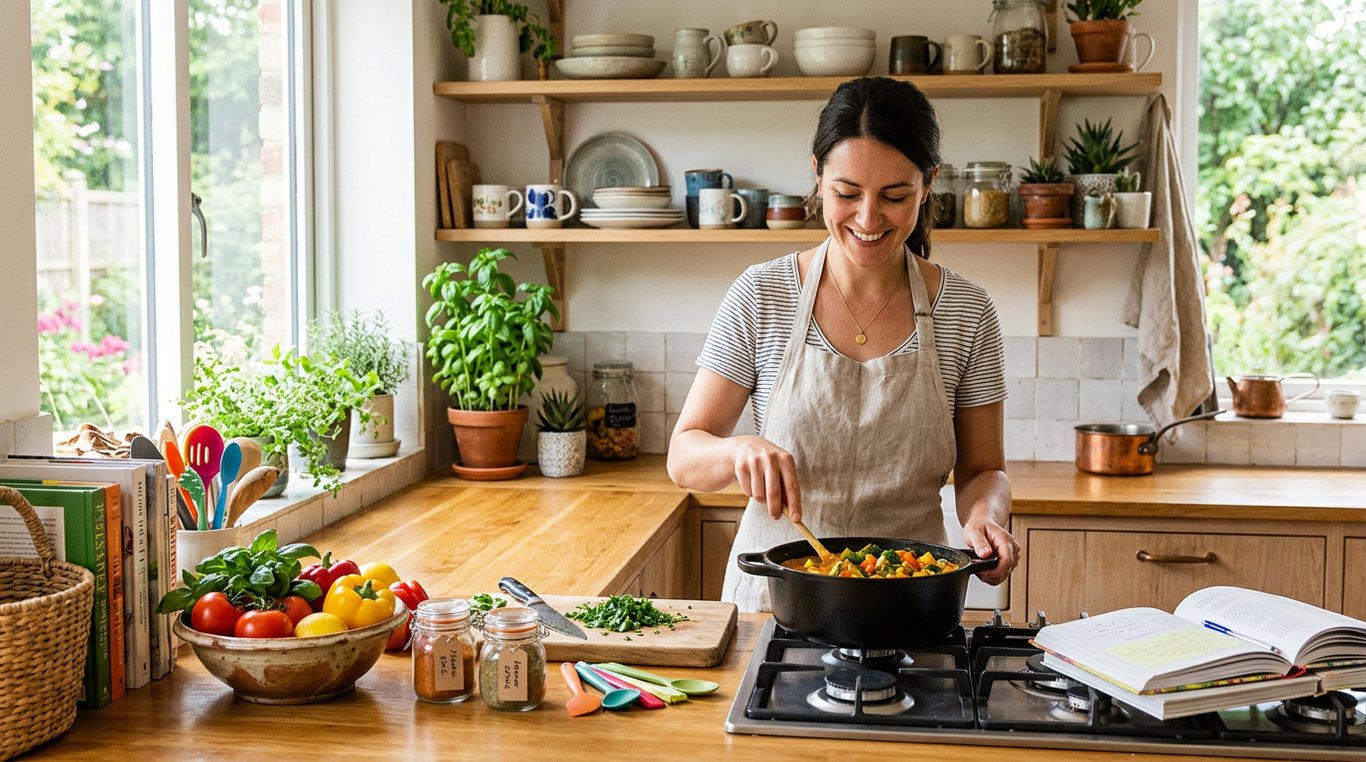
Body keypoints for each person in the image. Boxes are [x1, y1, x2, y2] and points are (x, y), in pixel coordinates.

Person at [666, 76, 1020, 612]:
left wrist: (984, 518)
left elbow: (982, 470)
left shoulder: (966, 312)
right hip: (776, 603)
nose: (868, 218)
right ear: (816, 176)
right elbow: (684, 455)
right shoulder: (763, 294)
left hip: (910, 606)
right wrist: (737, 449)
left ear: (929, 184)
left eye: (895, 196)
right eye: (847, 193)